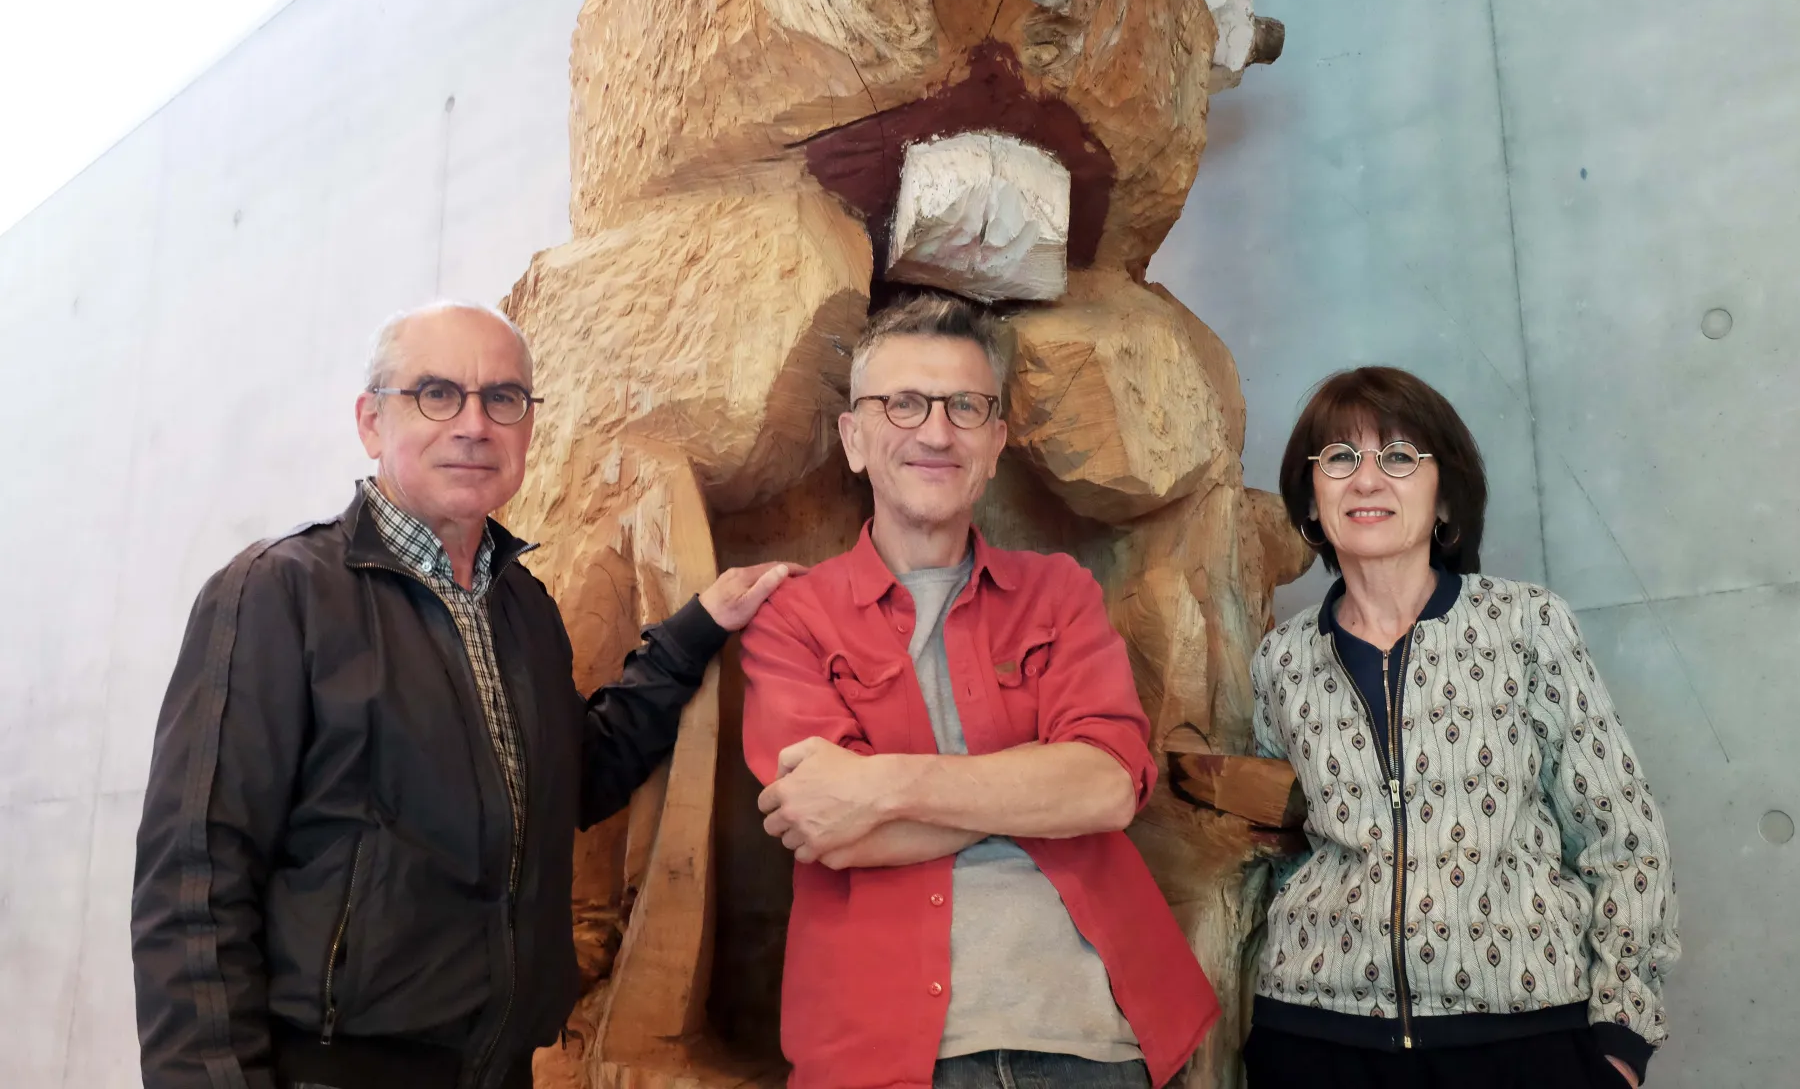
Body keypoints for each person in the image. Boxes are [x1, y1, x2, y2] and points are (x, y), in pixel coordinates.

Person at [131, 302, 792, 1089]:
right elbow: (195, 883)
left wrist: (694, 631)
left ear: (527, 428)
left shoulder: (524, 609)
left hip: (500, 1068)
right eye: (437, 394)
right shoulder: (277, 595)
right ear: (372, 422)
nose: (474, 424)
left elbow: (575, 777)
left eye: (502, 398)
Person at [739, 292, 1219, 1089]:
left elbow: (1104, 787)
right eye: (903, 404)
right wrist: (1030, 784)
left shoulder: (1058, 591)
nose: (935, 431)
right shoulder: (791, 618)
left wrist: (884, 782)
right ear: (853, 439)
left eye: (964, 407)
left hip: (1095, 1037)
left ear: (995, 445)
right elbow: (832, 828)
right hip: (884, 1052)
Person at [1246, 366, 1679, 1089]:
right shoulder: (1280, 661)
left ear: (1444, 495)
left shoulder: (1526, 624)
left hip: (1524, 1033)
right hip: (1315, 1038)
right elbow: (1278, 848)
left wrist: (1622, 1034)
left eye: (1400, 457)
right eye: (1341, 458)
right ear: (1312, 502)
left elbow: (1623, 834)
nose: (1368, 480)